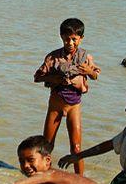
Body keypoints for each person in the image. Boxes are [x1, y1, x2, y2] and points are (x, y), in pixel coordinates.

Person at [35, 18, 101, 175]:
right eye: (66, 39)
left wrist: (88, 72)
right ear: (61, 37)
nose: (70, 43)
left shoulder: (86, 57)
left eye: (74, 39)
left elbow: (95, 75)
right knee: (47, 146)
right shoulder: (53, 58)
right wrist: (53, 78)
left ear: (81, 39)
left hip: (74, 107)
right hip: (55, 106)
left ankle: (80, 181)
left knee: (76, 148)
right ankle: (45, 180)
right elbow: (37, 77)